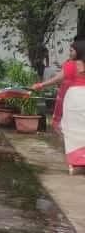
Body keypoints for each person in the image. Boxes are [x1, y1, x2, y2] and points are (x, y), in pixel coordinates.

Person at [34, 39, 85, 173]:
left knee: (71, 129)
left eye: (71, 50)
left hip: (74, 98)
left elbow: (58, 79)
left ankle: (77, 163)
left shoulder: (70, 65)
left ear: (78, 51)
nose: (70, 53)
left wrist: (41, 85)